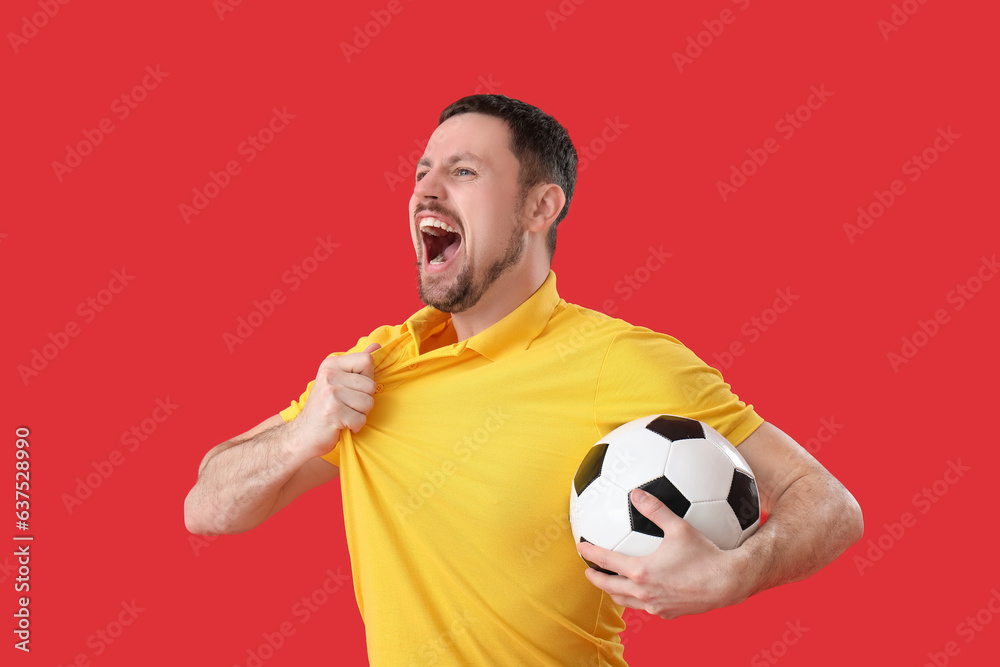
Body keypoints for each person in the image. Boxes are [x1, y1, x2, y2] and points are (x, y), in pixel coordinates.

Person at [184, 94, 863, 666]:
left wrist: (736, 572)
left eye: (464, 171)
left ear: (541, 208)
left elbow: (829, 503)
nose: (426, 188)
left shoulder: (620, 360)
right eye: (422, 171)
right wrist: (301, 435)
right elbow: (206, 507)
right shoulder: (375, 366)